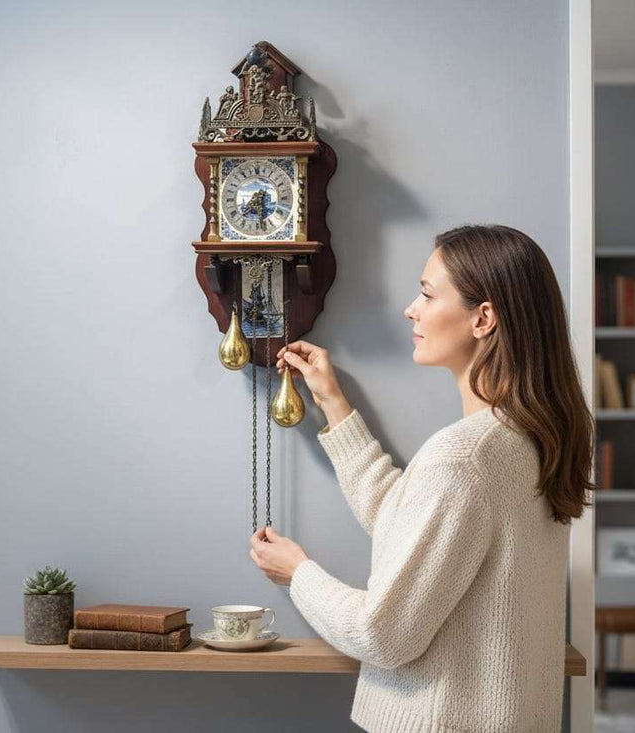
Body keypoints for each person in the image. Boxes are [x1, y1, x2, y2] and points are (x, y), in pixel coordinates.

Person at [248, 224, 595, 732]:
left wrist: (297, 572)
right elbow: (411, 526)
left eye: (428, 294)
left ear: (484, 318)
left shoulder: (463, 458)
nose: (412, 308)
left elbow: (383, 634)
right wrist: (332, 403)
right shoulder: (529, 439)